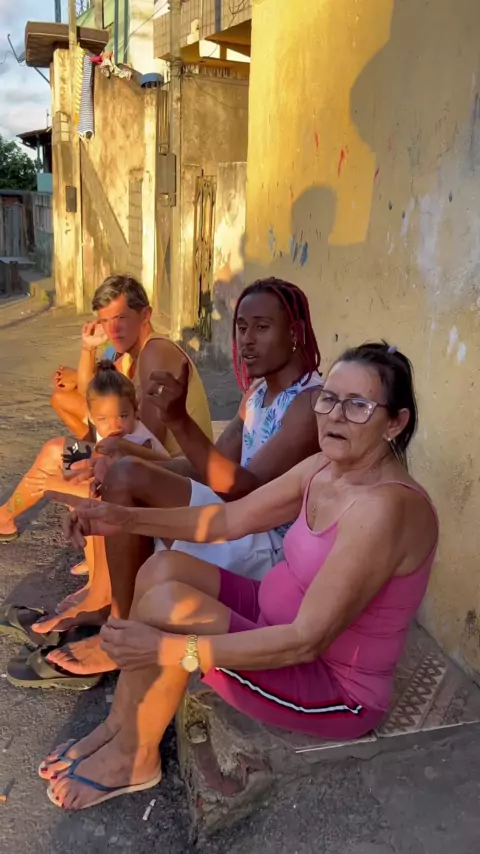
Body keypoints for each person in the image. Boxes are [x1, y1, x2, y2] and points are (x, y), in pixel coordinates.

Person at [38, 341, 438, 810]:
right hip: (270, 615)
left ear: (395, 423)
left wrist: (171, 649)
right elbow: (228, 519)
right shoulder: (325, 468)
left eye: (358, 406)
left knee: (171, 611)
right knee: (163, 567)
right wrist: (123, 518)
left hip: (330, 686)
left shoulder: (384, 509)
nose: (335, 416)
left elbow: (304, 642)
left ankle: (135, 757)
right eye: (329, 399)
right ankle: (119, 727)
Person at [27, 278, 323, 681]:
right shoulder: (257, 394)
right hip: (234, 523)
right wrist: (122, 473)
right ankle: (119, 620)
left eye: (262, 327)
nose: (247, 341)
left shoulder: (309, 404)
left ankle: (120, 634)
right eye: (241, 328)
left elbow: (244, 488)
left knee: (128, 478)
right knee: (123, 473)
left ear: (295, 332)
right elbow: (207, 468)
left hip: (267, 549)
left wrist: (179, 422)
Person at [0, 363, 170, 639]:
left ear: (135, 411)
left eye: (123, 416)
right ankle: (94, 583)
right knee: (61, 455)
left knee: (75, 492)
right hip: (116, 480)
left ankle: (99, 593)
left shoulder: (137, 439)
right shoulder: (113, 428)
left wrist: (57, 484)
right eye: (104, 419)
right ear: (92, 417)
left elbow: (115, 492)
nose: (114, 425)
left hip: (146, 514)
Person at [51, 274, 213, 452]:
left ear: (145, 315)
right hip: (145, 460)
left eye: (121, 318)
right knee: (62, 439)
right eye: (105, 321)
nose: (113, 329)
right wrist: (88, 348)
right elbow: (90, 392)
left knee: (57, 451)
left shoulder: (155, 351)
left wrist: (96, 455)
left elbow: (150, 440)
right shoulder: (130, 358)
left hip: (174, 465)